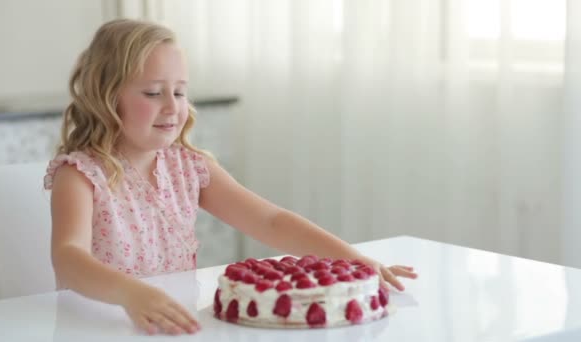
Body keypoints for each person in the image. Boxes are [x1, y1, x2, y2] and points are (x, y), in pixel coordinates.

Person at [45, 18, 417, 336]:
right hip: (95, 328)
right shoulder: (80, 176)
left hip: (171, 325)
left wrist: (355, 261)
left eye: (179, 91)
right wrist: (130, 293)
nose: (173, 106)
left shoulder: (189, 166)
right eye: (154, 92)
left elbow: (270, 222)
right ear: (105, 96)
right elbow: (68, 256)